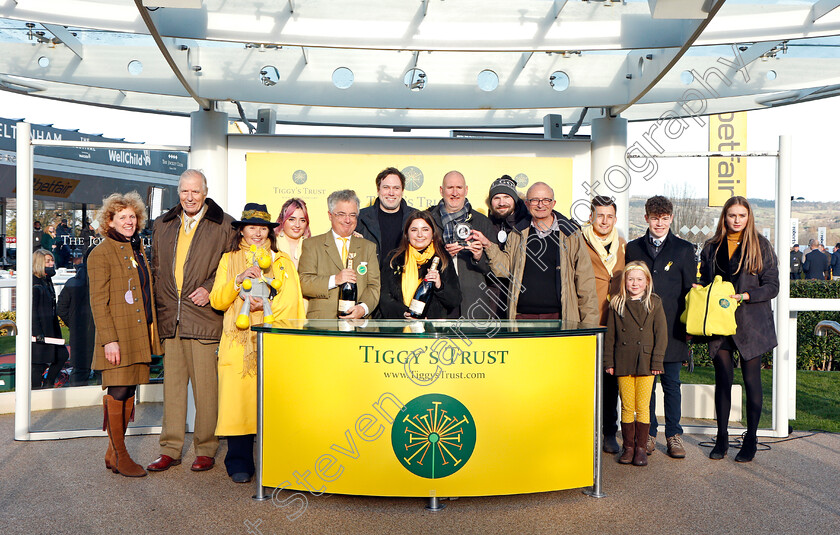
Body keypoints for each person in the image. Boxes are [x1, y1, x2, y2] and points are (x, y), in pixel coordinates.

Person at [147, 169, 236, 473]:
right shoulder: (163, 224)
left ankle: (206, 448)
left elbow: (232, 267)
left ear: (205, 191)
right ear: (178, 192)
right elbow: (157, 270)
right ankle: (170, 448)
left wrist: (210, 288)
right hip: (172, 319)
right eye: (185, 191)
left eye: (195, 191)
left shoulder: (224, 225)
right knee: (172, 389)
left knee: (206, 390)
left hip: (204, 318)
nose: (190, 197)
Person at [210, 203, 305, 483]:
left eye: (262, 228)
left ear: (270, 232)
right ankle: (238, 460)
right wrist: (238, 283)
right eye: (251, 227)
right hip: (237, 342)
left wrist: (265, 305)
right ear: (241, 230)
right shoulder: (228, 260)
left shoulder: (281, 261)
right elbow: (217, 300)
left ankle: (272, 461)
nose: (257, 233)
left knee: (270, 403)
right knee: (238, 402)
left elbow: (292, 302)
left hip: (270, 341)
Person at [699, 196, 779, 463]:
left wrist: (746, 295)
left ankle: (751, 439)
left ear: (749, 217)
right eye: (732, 215)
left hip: (751, 324)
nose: (736, 220)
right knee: (723, 381)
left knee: (751, 382)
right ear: (725, 217)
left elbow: (772, 286)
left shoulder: (761, 246)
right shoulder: (711, 247)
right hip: (720, 324)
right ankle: (721, 438)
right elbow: (706, 280)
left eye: (741, 216)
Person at [88, 192, 163, 477]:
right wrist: (109, 340)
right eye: (123, 217)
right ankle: (121, 455)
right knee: (119, 390)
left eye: (132, 216)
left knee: (129, 388)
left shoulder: (137, 249)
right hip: (117, 336)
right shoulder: (101, 253)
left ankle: (112, 453)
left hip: (137, 333)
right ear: (110, 220)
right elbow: (98, 301)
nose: (129, 221)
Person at [625, 195, 695, 459]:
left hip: (673, 328)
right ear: (646, 218)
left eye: (665, 218)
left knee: (671, 384)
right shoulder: (633, 248)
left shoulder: (684, 249)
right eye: (655, 218)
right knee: (647, 384)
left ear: (671, 219)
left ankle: (674, 435)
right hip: (641, 330)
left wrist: (689, 328)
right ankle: (649, 434)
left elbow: (690, 291)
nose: (660, 223)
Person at [471, 182, 599, 323]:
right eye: (534, 200)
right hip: (522, 318)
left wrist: (589, 325)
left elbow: (585, 284)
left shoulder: (571, 235)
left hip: (560, 318)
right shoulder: (517, 234)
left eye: (546, 200)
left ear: (553, 203)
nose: (540, 205)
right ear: (526, 204)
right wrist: (488, 245)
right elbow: (505, 269)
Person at [604, 261, 667, 467]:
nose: (635, 283)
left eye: (639, 279)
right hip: (623, 360)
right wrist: (609, 362)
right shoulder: (616, 303)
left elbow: (661, 335)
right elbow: (611, 336)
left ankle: (641, 448)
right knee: (627, 405)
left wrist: (657, 360)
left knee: (643, 407)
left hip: (646, 361)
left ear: (647, 281)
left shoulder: (654, 303)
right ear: (625, 282)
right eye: (631, 279)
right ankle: (628, 447)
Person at [582, 195, 626, 455]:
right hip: (588, 319)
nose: (605, 221)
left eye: (609, 216)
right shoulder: (579, 241)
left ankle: (609, 432)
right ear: (592, 217)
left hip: (615, 322)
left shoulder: (622, 244)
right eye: (600, 215)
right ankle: (586, 432)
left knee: (610, 381)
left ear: (615, 219)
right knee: (586, 381)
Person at [299, 190, 381, 319]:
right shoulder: (312, 244)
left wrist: (363, 308)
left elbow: (374, 286)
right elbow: (304, 283)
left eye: (352, 215)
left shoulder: (368, 247)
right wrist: (335, 280)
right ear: (330, 215)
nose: (347, 220)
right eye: (341, 214)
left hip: (358, 326)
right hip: (322, 325)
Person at [428, 171, 499, 320]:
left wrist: (479, 257)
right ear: (441, 190)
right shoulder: (427, 220)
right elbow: (416, 262)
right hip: (437, 302)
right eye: (450, 188)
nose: (455, 193)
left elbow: (495, 272)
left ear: (466, 190)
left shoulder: (482, 222)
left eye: (459, 188)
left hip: (472, 303)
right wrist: (443, 257)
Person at [378, 211, 461, 319]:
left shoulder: (442, 259)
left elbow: (455, 300)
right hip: (399, 327)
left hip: (431, 330)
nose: (420, 235)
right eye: (414, 230)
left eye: (425, 229)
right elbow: (384, 297)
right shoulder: (394, 259)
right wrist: (404, 313)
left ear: (433, 233)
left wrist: (439, 286)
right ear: (407, 234)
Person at [356, 167, 416, 271]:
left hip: (406, 282)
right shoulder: (359, 218)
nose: (391, 193)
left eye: (396, 188)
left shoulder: (416, 218)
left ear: (402, 191)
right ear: (378, 190)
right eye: (386, 187)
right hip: (371, 282)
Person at [57, 246, 96, 386]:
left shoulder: (73, 282)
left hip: (79, 335)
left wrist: (74, 324)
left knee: (79, 373)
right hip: (96, 335)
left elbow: (61, 308)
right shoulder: (101, 282)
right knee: (102, 372)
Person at [31, 249, 67, 389]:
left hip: (50, 326)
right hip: (40, 328)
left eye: (52, 260)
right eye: (48, 261)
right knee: (38, 364)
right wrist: (37, 331)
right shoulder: (35, 283)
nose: (52, 263)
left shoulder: (47, 281)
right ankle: (36, 391)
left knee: (62, 355)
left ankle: (48, 383)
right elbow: (32, 309)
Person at [275, 198, 311, 268]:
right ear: (282, 220)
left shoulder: (313, 246)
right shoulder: (272, 244)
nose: (297, 225)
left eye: (302, 220)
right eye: (292, 219)